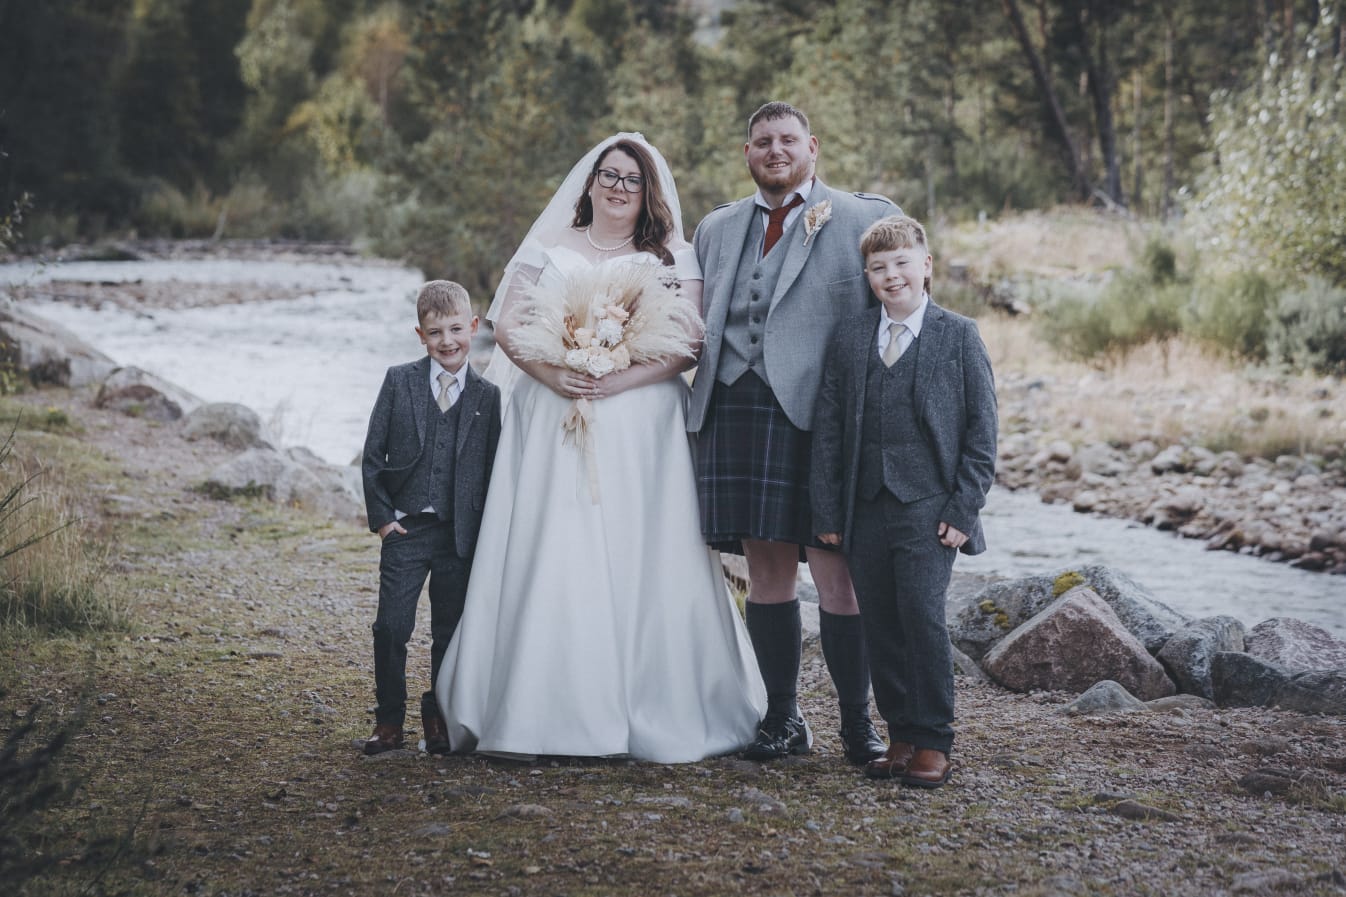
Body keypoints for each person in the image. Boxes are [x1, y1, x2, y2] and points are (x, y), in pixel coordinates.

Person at [434, 133, 766, 763]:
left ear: (650, 192)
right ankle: (533, 705)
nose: (618, 188)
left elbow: (689, 342)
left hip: (641, 421)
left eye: (632, 180)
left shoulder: (673, 253)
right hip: (552, 409)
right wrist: (553, 373)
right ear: (588, 183)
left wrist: (616, 380)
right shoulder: (548, 245)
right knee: (553, 538)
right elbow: (506, 324)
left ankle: (655, 702)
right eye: (608, 176)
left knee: (643, 547)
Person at [688, 101, 898, 763]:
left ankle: (858, 727)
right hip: (736, 411)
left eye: (786, 139)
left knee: (840, 577)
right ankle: (781, 720)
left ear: (813, 146)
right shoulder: (716, 228)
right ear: (748, 154)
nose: (774, 150)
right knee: (767, 572)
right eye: (761, 141)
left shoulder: (865, 215)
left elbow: (898, 312)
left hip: (826, 418)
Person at [811, 214, 997, 787]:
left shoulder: (958, 335)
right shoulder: (850, 337)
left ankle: (935, 738)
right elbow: (829, 429)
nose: (892, 276)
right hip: (864, 506)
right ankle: (901, 735)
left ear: (926, 266)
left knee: (920, 618)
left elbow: (981, 432)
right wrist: (828, 514)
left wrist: (963, 510)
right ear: (867, 276)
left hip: (930, 508)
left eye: (901, 264)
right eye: (878, 268)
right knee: (880, 623)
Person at [360, 280, 503, 755]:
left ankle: (438, 714)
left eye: (456, 329)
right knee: (391, 627)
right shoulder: (399, 381)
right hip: (406, 528)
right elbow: (372, 455)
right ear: (419, 335)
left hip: (459, 535)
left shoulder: (488, 396)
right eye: (435, 331)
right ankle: (388, 721)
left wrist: (487, 532)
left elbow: (491, 469)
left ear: (474, 327)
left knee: (450, 629)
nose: (447, 341)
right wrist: (383, 518)